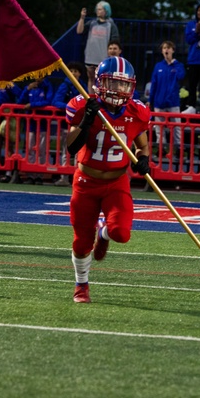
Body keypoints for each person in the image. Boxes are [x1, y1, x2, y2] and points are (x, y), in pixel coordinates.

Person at [65, 56, 151, 303]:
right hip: (86, 182)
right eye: (113, 83)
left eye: (123, 85)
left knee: (121, 233)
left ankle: (103, 234)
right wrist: (87, 120)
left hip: (116, 182)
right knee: (81, 241)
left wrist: (143, 159)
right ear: (100, 83)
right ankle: (81, 285)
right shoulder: (83, 106)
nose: (118, 90)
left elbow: (142, 147)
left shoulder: (137, 112)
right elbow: (71, 148)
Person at [148, 40, 186, 159]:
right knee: (159, 129)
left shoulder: (179, 65)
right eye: (164, 48)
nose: (166, 50)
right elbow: (154, 84)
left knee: (177, 127)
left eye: (169, 48)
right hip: (159, 102)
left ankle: (179, 149)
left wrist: (172, 63)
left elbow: (181, 76)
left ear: (173, 50)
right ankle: (161, 149)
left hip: (173, 102)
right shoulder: (158, 66)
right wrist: (150, 100)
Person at [76, 1, 120, 83]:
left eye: (100, 9)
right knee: (91, 78)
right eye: (97, 9)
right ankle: (91, 95)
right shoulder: (92, 23)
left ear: (106, 11)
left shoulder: (111, 25)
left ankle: (100, 95)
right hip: (90, 56)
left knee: (102, 80)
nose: (97, 11)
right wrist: (82, 18)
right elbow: (79, 31)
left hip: (103, 57)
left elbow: (115, 41)